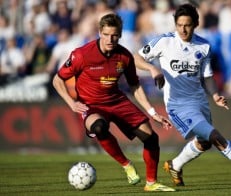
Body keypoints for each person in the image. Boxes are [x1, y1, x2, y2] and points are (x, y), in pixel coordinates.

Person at [134, 3, 231, 186]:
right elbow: (136, 57)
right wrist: (152, 68)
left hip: (200, 102)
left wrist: (215, 95)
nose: (183, 29)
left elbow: (207, 77)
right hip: (177, 105)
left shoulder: (203, 46)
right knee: (215, 137)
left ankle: (175, 165)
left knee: (204, 143)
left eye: (187, 24)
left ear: (195, 24)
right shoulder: (164, 41)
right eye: (179, 25)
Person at [52, 13, 175, 192]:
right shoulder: (82, 55)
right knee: (99, 127)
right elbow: (57, 80)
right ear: (100, 33)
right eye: (107, 34)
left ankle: (151, 183)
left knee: (151, 138)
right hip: (91, 105)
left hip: (117, 101)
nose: (111, 39)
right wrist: (71, 103)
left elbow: (135, 86)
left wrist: (152, 112)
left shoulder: (124, 57)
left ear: (120, 35)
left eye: (115, 35)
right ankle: (126, 165)